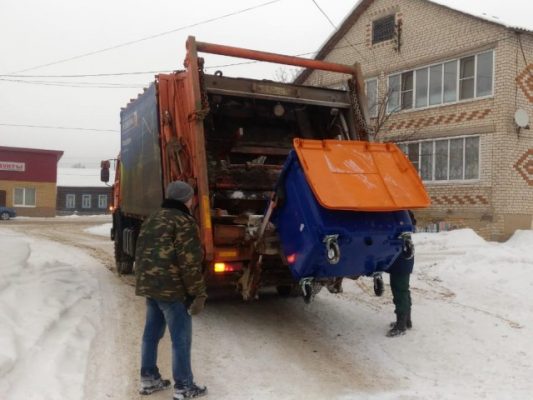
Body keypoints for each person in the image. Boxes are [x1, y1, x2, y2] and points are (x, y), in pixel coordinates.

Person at [135, 180, 208, 399]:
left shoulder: (152, 217)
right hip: (173, 291)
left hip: (151, 286)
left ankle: (148, 378)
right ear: (187, 198)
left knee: (151, 334)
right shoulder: (184, 221)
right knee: (181, 339)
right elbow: (189, 262)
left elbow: (140, 252)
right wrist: (197, 292)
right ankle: (184, 386)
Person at [386, 210, 416, 337]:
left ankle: (401, 325)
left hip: (401, 260)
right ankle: (407, 321)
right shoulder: (405, 219)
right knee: (404, 290)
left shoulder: (400, 229)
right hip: (404, 259)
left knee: (399, 291)